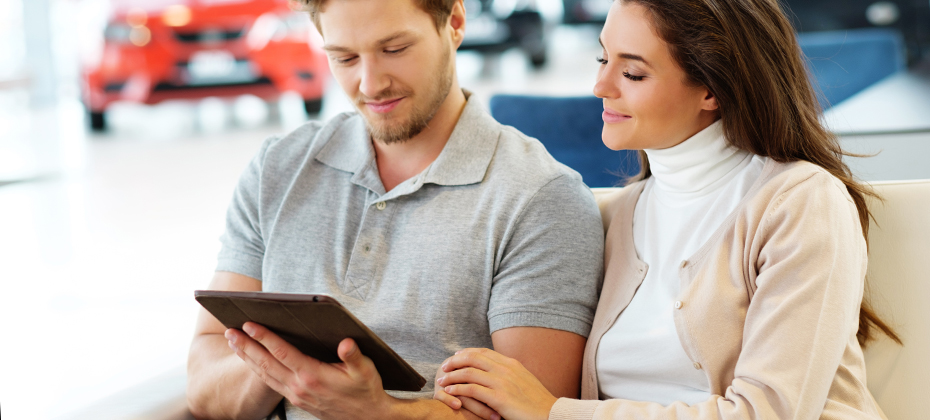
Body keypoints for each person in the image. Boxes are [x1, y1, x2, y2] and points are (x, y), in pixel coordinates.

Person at [433, 0, 901, 419]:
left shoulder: (800, 202)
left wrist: (553, 413)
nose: (599, 85)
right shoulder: (621, 217)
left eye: (633, 73)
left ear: (711, 90)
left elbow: (769, 413)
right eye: (603, 58)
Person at [185, 0, 605, 419]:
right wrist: (290, 366)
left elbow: (536, 413)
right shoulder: (278, 168)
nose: (370, 84)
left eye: (395, 49)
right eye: (344, 57)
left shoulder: (541, 197)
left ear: (455, 22)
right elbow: (203, 386)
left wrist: (375, 410)